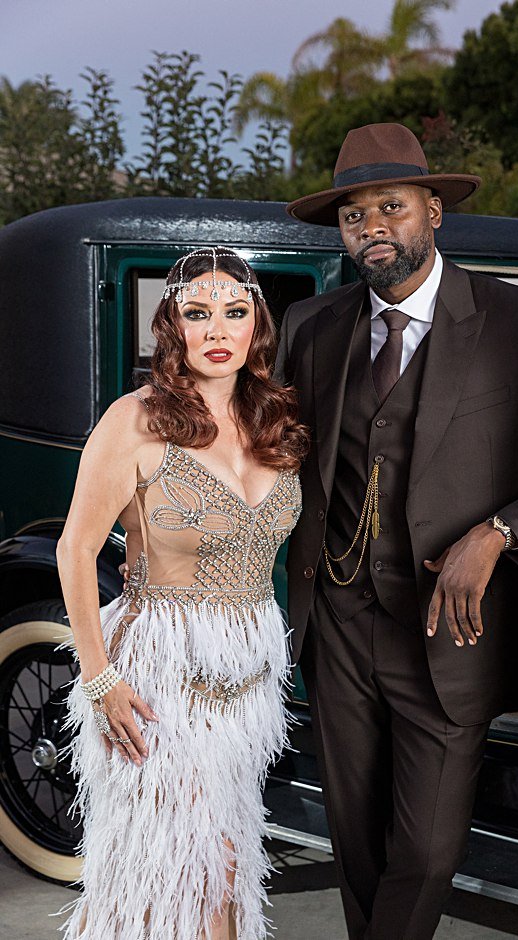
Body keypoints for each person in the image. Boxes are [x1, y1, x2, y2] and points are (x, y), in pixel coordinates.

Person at [276, 123, 518, 940]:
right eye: (353, 214)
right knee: (354, 834)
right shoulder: (309, 326)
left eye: (390, 205)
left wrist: (501, 533)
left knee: (425, 846)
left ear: (434, 211)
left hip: (451, 630)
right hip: (336, 619)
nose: (371, 226)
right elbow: (258, 455)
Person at [56, 247, 308, 939]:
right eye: (198, 314)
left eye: (235, 313)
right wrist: (101, 676)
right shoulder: (134, 419)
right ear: (173, 326)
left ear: (258, 328)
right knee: (178, 873)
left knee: (221, 869)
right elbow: (75, 549)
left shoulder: (275, 422)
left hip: (248, 686)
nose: (218, 330)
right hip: (158, 680)